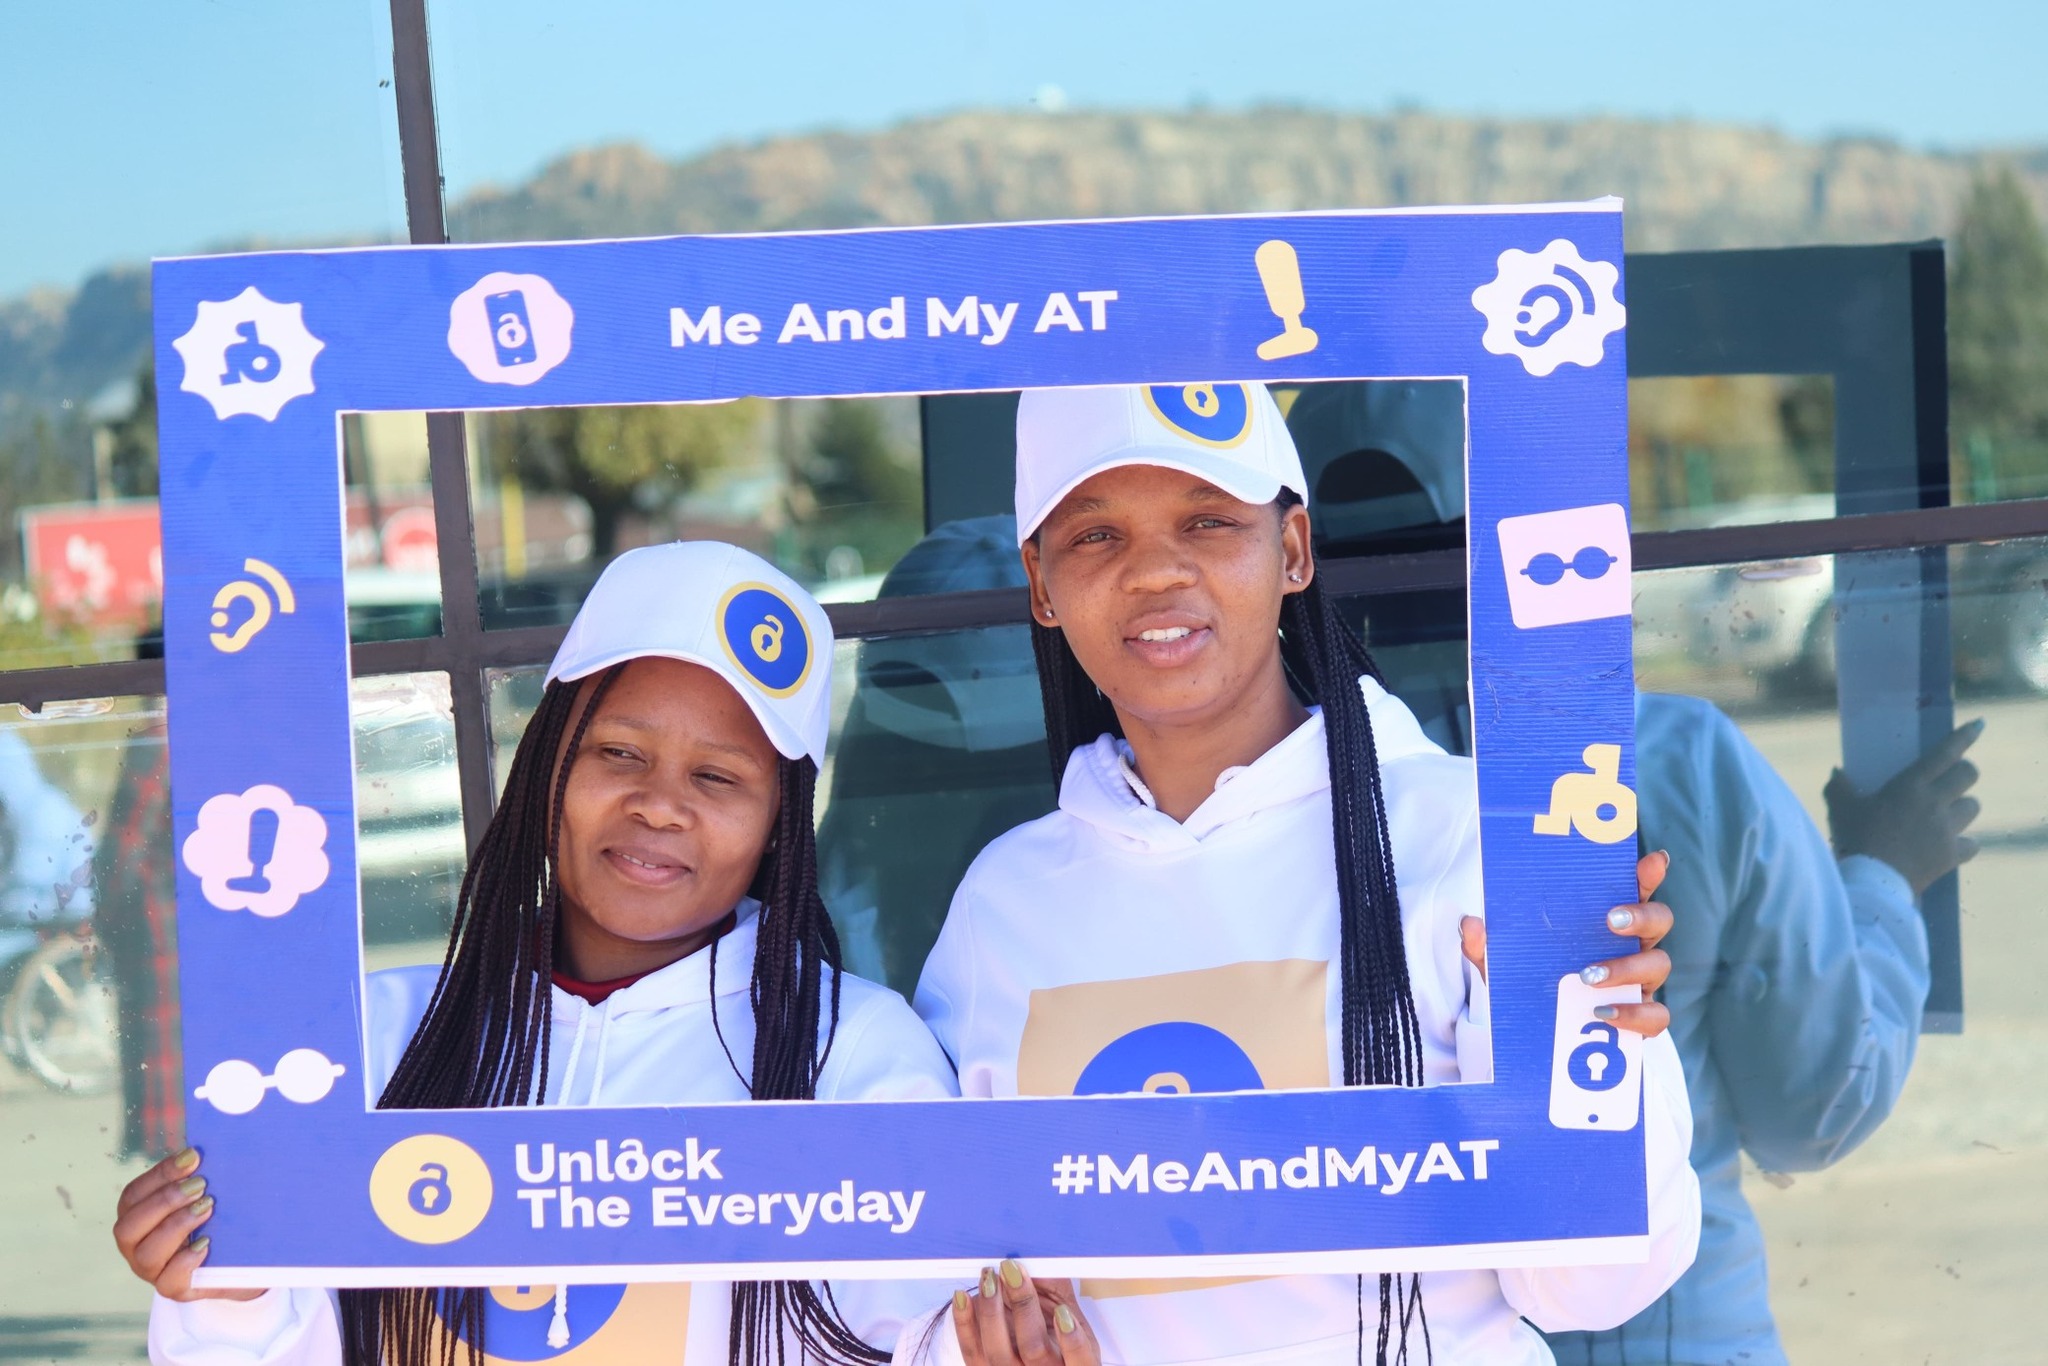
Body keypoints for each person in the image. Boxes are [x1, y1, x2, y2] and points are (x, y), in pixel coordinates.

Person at [912, 383, 1702, 1365]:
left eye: (1206, 521)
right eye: (1095, 537)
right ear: (1040, 582)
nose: (1156, 570)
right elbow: (945, 1279)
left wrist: (1560, 1047)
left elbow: (1598, 1280)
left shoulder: (1477, 840)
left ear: (1291, 549)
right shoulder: (1002, 907)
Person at [111, 541, 958, 1366]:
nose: (660, 806)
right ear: (546, 760)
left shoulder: (855, 1055)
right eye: (619, 752)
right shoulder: (378, 1036)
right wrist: (221, 1298)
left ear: (781, 819)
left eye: (718, 777)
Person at [1543, 697, 1981, 1366]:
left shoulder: (1358, 774)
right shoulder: (1672, 752)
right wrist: (1885, 875)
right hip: (1680, 1324)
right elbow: (1814, 1104)